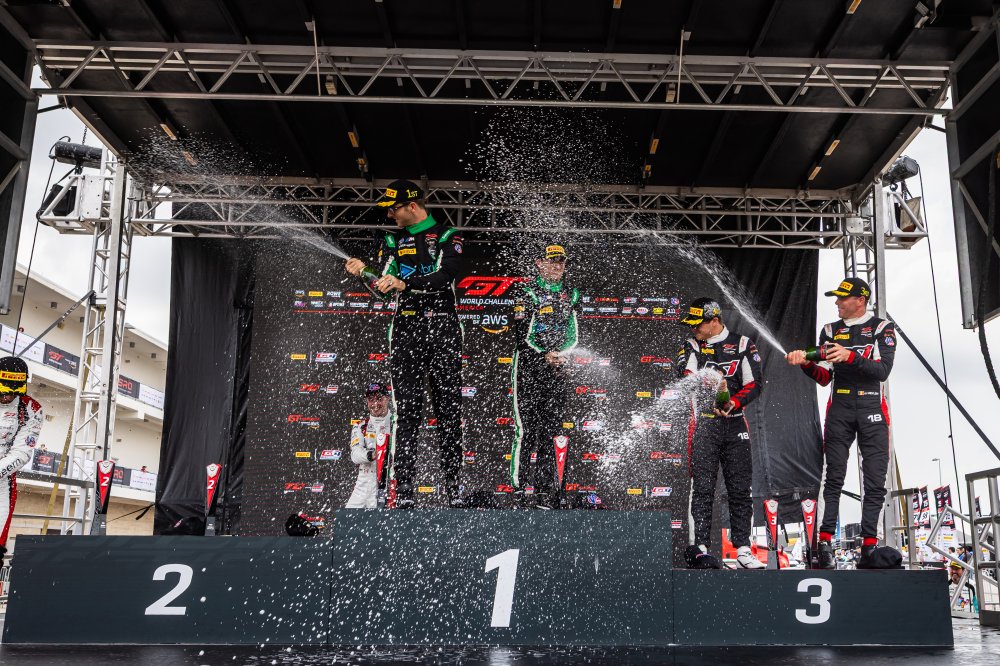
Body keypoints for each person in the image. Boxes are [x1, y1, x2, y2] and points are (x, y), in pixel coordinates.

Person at [344, 180, 465, 509]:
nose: (390, 215)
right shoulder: (392, 240)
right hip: (406, 330)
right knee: (407, 413)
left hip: (443, 327)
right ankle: (405, 489)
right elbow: (383, 287)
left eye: (394, 209)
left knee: (449, 412)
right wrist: (364, 272)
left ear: (413, 205)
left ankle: (454, 488)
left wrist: (404, 283)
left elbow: (445, 278)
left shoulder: (447, 236)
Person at [785, 277, 896, 569]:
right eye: (836, 298)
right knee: (833, 476)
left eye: (842, 298)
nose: (837, 302)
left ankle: (869, 546)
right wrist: (806, 364)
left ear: (861, 299)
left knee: (875, 480)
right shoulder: (829, 330)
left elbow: (882, 371)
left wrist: (850, 356)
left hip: (873, 406)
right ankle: (824, 544)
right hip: (840, 408)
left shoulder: (882, 328)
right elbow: (824, 378)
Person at [677, 298, 764, 569]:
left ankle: (743, 549)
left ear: (714, 321)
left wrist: (733, 402)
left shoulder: (743, 344)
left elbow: (755, 384)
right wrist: (710, 380)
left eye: (698, 324)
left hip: (735, 424)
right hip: (704, 425)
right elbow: (685, 375)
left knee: (740, 489)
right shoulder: (692, 345)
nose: (694, 329)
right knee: (702, 488)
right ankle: (701, 547)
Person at [509, 243, 581, 510]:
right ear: (539, 263)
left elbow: (574, 333)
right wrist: (544, 353)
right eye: (552, 261)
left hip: (556, 370)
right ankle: (518, 489)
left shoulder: (571, 293)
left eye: (561, 261)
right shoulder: (526, 291)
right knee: (526, 430)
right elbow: (521, 335)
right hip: (529, 367)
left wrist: (563, 353)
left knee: (552, 431)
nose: (557, 266)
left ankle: (544, 491)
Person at [0, 356, 43, 557]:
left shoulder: (31, 409)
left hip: (3, 481)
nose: (7, 396)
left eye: (14, 391)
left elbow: (22, 453)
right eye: (3, 390)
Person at [345, 383, 393, 509]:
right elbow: (355, 455)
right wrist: (372, 455)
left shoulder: (396, 424)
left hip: (389, 485)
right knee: (347, 519)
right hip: (364, 484)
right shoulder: (361, 426)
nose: (375, 404)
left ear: (387, 399)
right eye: (371, 400)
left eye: (379, 399)